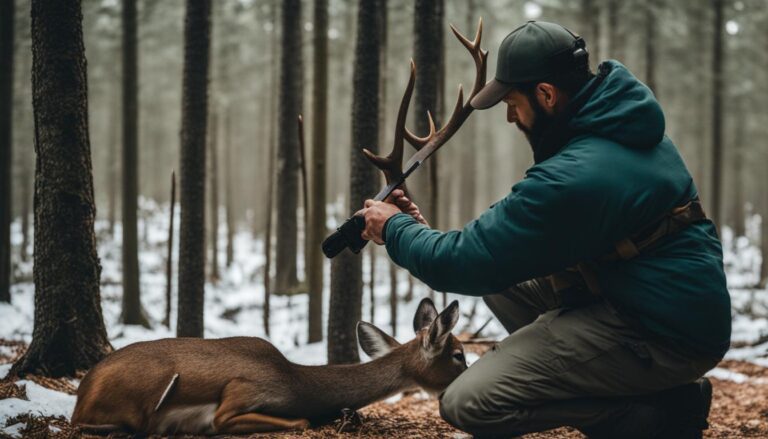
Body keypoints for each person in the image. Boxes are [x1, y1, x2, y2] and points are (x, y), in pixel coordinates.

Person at [358, 21, 731, 438]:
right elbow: (489, 254)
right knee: (497, 277)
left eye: (512, 102)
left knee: (467, 402)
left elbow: (462, 262)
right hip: (655, 303)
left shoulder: (577, 174)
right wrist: (415, 230)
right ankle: (642, 392)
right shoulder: (622, 131)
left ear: (547, 94)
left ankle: (652, 414)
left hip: (664, 336)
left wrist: (392, 228)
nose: (509, 115)